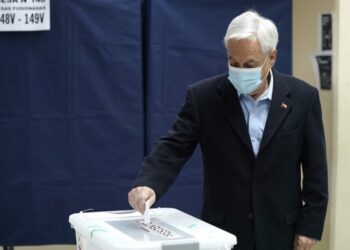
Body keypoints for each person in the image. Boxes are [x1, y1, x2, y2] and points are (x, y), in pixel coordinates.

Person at [128, 10, 328, 250]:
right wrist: (148, 183)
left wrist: (310, 226)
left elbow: (316, 168)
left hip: (281, 230)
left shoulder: (303, 97)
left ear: (271, 57)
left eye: (250, 64)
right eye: (233, 62)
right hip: (222, 231)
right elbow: (173, 146)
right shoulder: (204, 97)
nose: (241, 70)